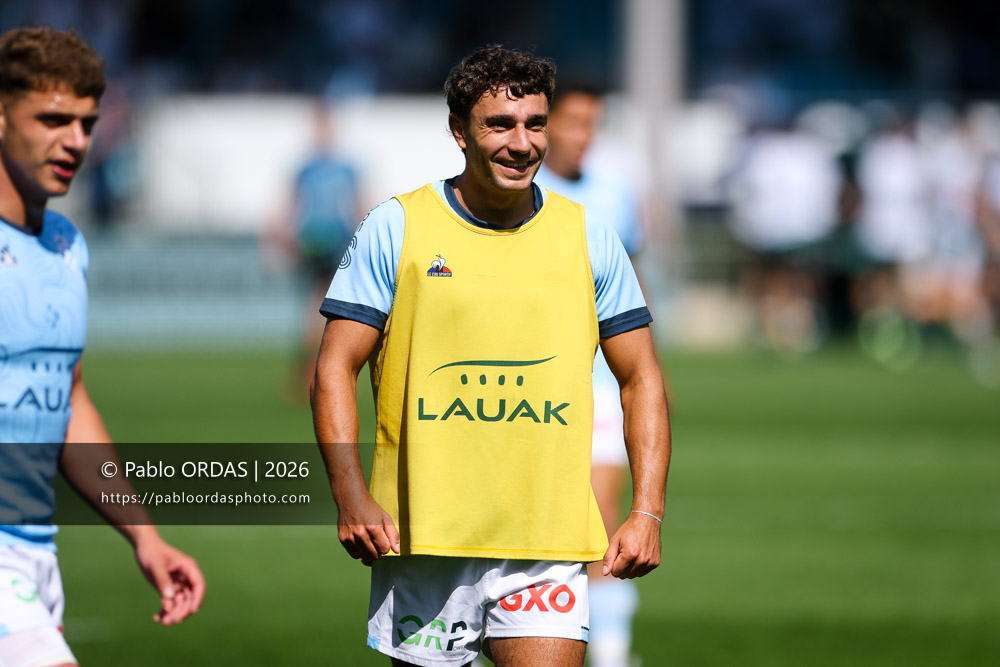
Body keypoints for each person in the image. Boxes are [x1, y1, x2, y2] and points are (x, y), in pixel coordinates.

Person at [311, 45, 671, 667]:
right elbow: (333, 368)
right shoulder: (396, 227)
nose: (522, 142)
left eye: (535, 124)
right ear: (458, 131)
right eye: (500, 124)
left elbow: (641, 378)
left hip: (546, 538)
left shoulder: (588, 234)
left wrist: (646, 511)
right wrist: (349, 492)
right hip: (424, 537)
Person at [0, 26, 205, 667]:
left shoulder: (66, 245)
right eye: (53, 120)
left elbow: (70, 398)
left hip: (35, 549)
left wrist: (145, 539)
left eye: (87, 123)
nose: (76, 142)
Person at [533, 82, 644, 667]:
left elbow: (633, 287)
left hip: (599, 382)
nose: (583, 135)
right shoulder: (516, 191)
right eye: (572, 121)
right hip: (528, 390)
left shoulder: (617, 196)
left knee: (601, 518)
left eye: (591, 122)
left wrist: (650, 370)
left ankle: (610, 651)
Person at [265, 99, 361, 398]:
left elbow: (357, 204)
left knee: (321, 306)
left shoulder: (343, 168)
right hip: (320, 241)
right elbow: (293, 204)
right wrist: (281, 233)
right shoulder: (309, 168)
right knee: (324, 306)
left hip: (335, 240)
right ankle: (317, 369)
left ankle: (313, 369)